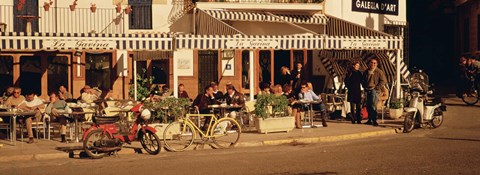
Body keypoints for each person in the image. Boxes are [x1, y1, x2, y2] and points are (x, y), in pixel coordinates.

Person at [362, 58, 387, 126]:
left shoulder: (379, 72)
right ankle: (370, 119)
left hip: (374, 90)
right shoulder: (366, 71)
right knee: (368, 105)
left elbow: (383, 81)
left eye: (374, 63)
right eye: (372, 62)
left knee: (373, 105)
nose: (373, 64)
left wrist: (377, 87)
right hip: (367, 90)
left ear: (377, 64)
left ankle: (374, 120)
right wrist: (364, 86)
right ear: (369, 63)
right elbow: (363, 80)